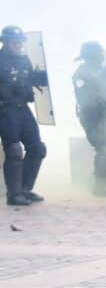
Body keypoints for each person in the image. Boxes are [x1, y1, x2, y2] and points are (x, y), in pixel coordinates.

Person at [0, 25, 48, 206]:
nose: (18, 45)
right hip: (5, 110)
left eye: (20, 42)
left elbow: (30, 79)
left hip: (22, 108)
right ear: (5, 42)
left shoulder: (24, 59)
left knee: (37, 149)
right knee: (13, 151)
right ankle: (14, 194)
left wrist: (39, 79)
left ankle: (25, 189)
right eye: (14, 42)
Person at [73, 41, 106, 196]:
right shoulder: (81, 74)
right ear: (92, 56)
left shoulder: (103, 71)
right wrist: (103, 102)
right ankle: (99, 187)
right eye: (99, 54)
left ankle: (103, 181)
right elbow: (84, 100)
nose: (103, 57)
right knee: (103, 148)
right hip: (91, 117)